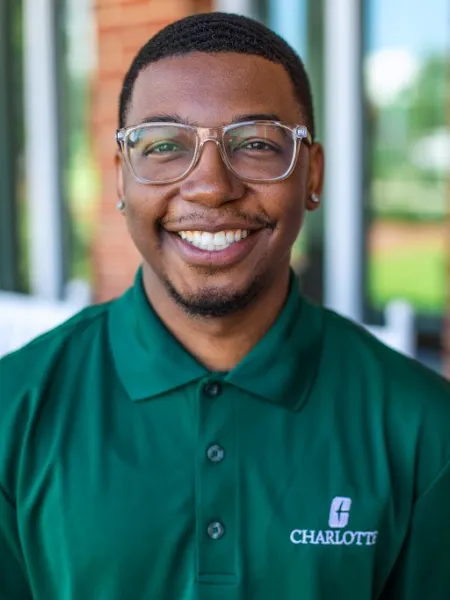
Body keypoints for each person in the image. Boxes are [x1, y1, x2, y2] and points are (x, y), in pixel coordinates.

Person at [1, 11, 449, 600]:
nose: (210, 185)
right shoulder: (15, 409)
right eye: (164, 145)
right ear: (120, 179)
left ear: (312, 174)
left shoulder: (423, 426)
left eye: (257, 144)